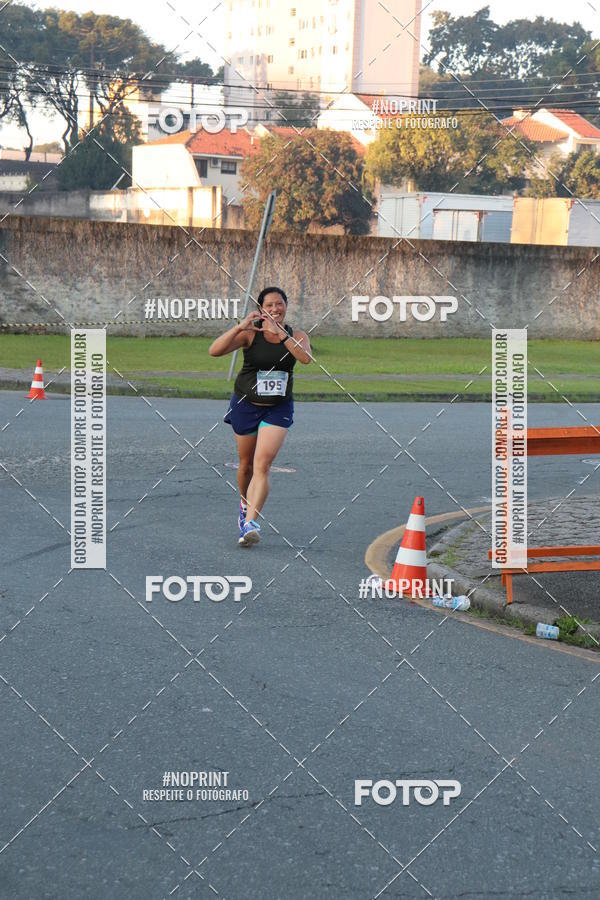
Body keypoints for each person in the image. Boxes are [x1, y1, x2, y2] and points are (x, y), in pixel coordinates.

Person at [208, 287, 312, 545]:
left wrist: (281, 334)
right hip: (245, 404)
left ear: (286, 307)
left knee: (262, 464)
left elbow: (306, 358)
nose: (276, 309)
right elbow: (215, 351)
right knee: (246, 465)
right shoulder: (251, 335)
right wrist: (238, 327)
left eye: (280, 304)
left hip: (278, 408)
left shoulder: (297, 335)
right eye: (270, 305)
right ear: (262, 309)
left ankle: (251, 523)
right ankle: (245, 505)